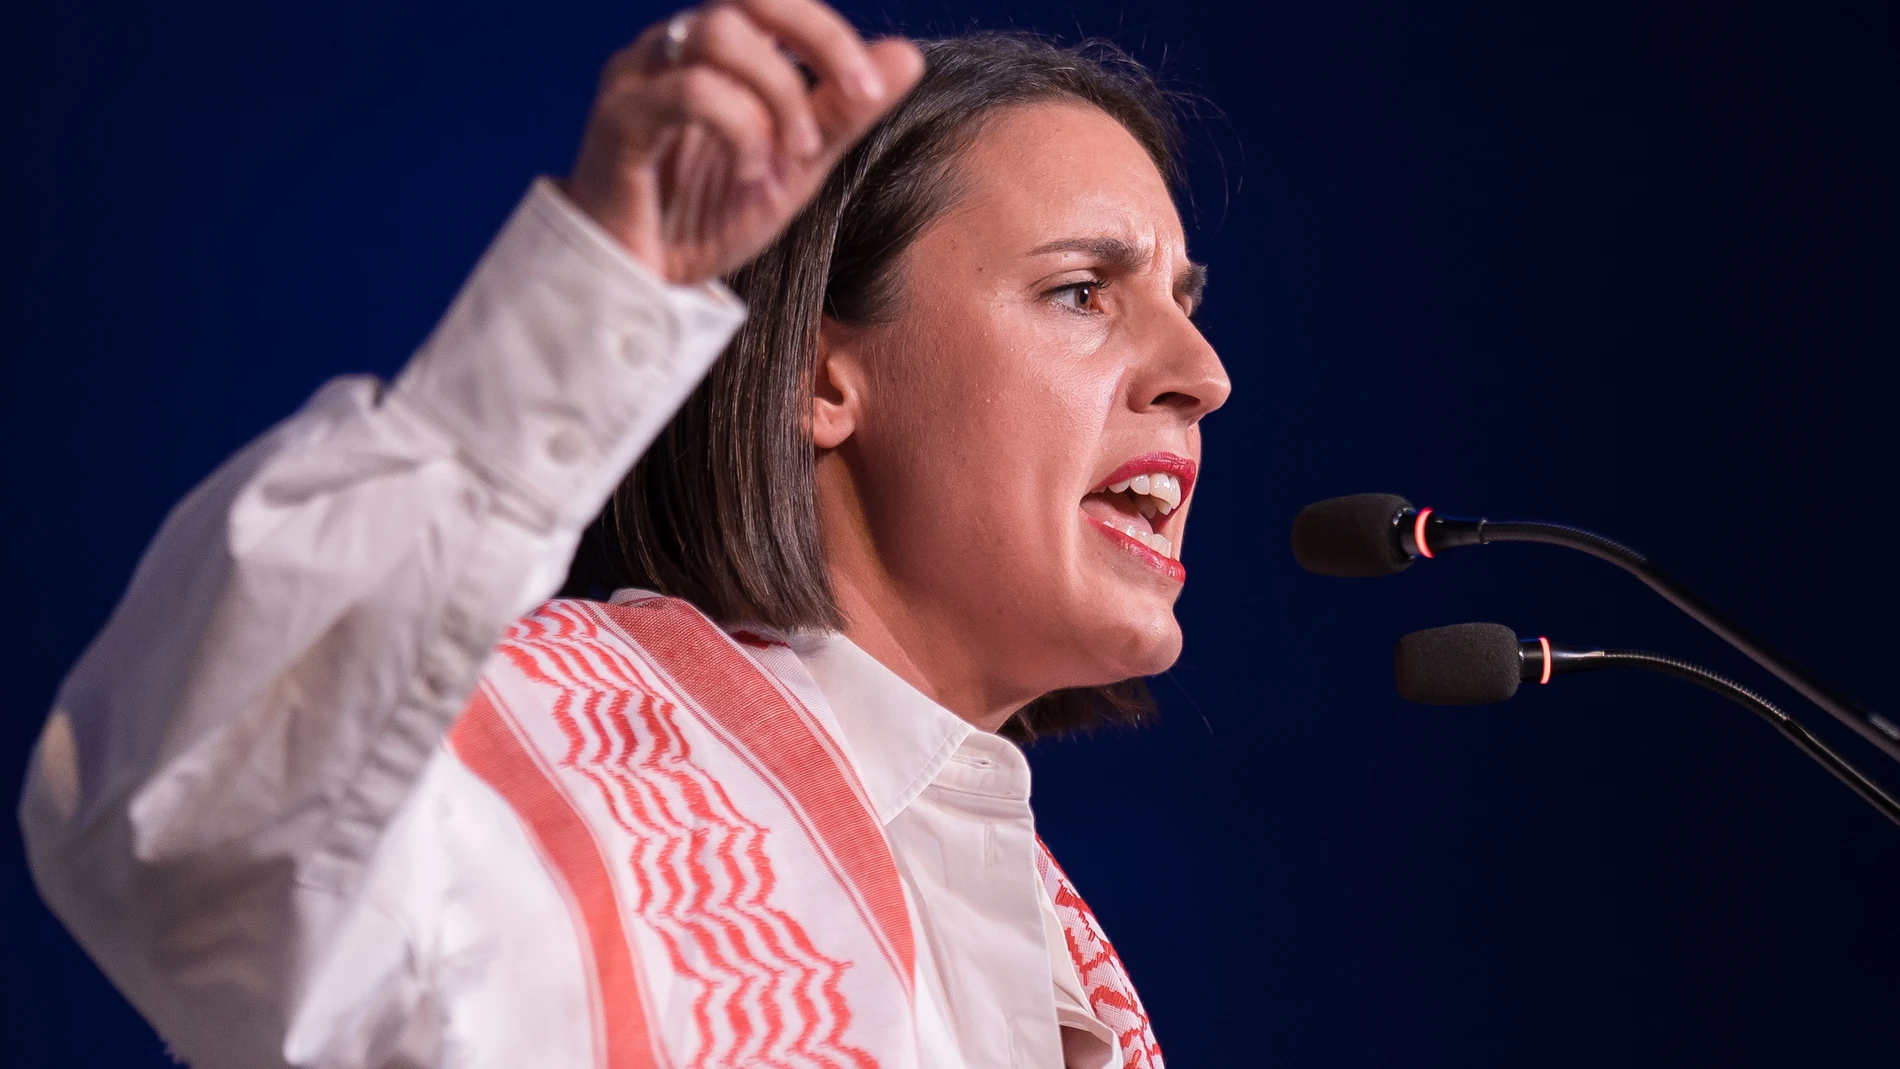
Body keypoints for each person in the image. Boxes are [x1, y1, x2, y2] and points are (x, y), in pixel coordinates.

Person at [19, 3, 1229, 1067]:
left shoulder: (1064, 965)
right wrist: (591, 293)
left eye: (1184, 303)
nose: (1204, 374)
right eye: (1081, 292)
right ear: (821, 375)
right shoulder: (543, 759)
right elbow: (188, 826)